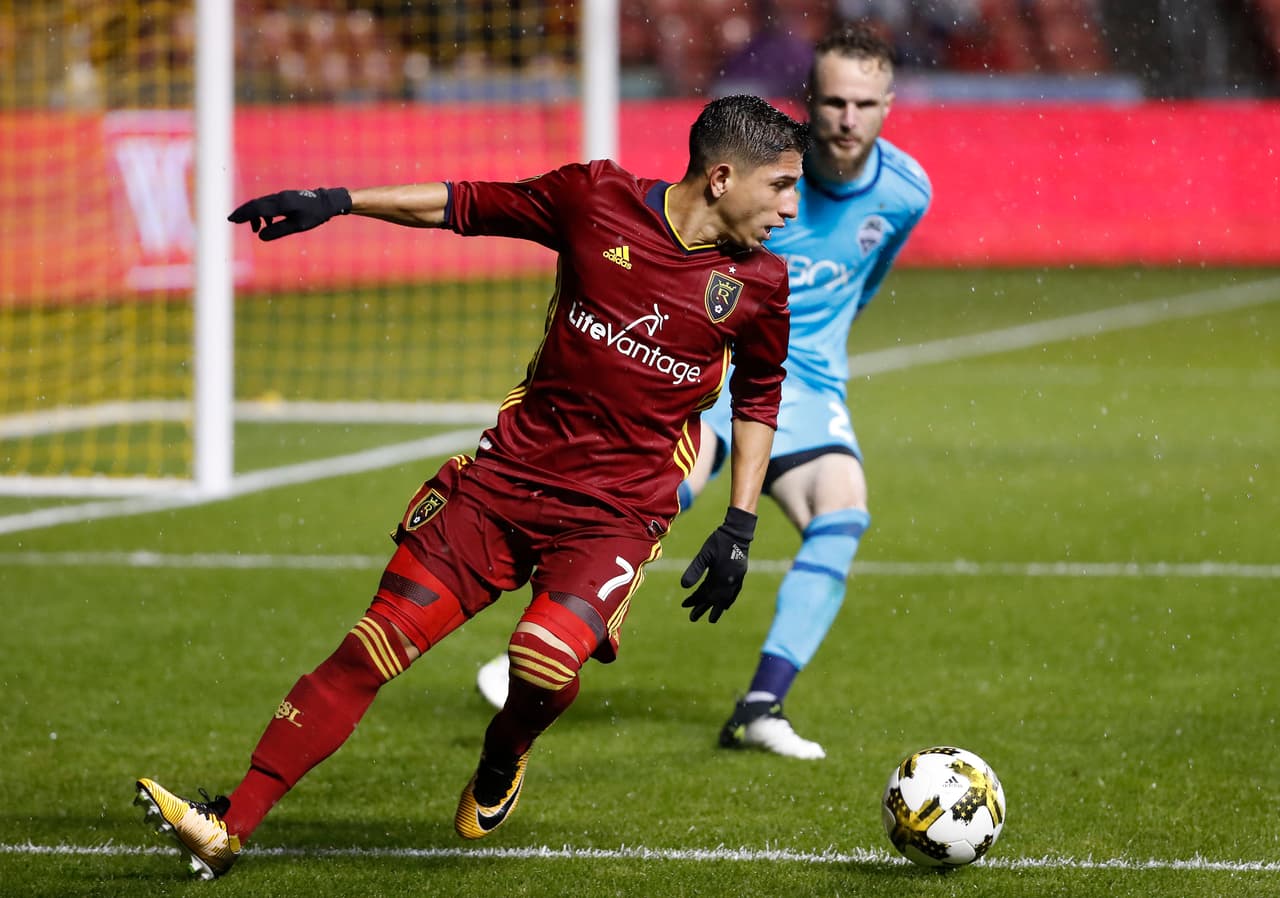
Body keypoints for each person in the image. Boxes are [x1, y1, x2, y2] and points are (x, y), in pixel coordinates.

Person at [132, 94, 808, 879]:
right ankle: (230, 823)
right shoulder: (595, 198)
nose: (791, 209)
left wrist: (739, 525)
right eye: (781, 187)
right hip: (501, 485)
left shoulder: (761, 284)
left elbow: (759, 397)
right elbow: (463, 205)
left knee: (542, 658)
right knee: (369, 649)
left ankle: (505, 751)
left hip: (614, 516)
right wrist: (338, 200)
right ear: (721, 178)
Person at [477, 23, 931, 762]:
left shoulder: (908, 193)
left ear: (888, 105)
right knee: (659, 492)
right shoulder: (756, 179)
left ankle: (761, 707)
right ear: (809, 99)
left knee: (843, 514)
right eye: (835, 102)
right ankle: (540, 651)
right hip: (715, 373)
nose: (849, 119)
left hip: (808, 383)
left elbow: (866, 278)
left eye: (865, 104)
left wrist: (818, 351)